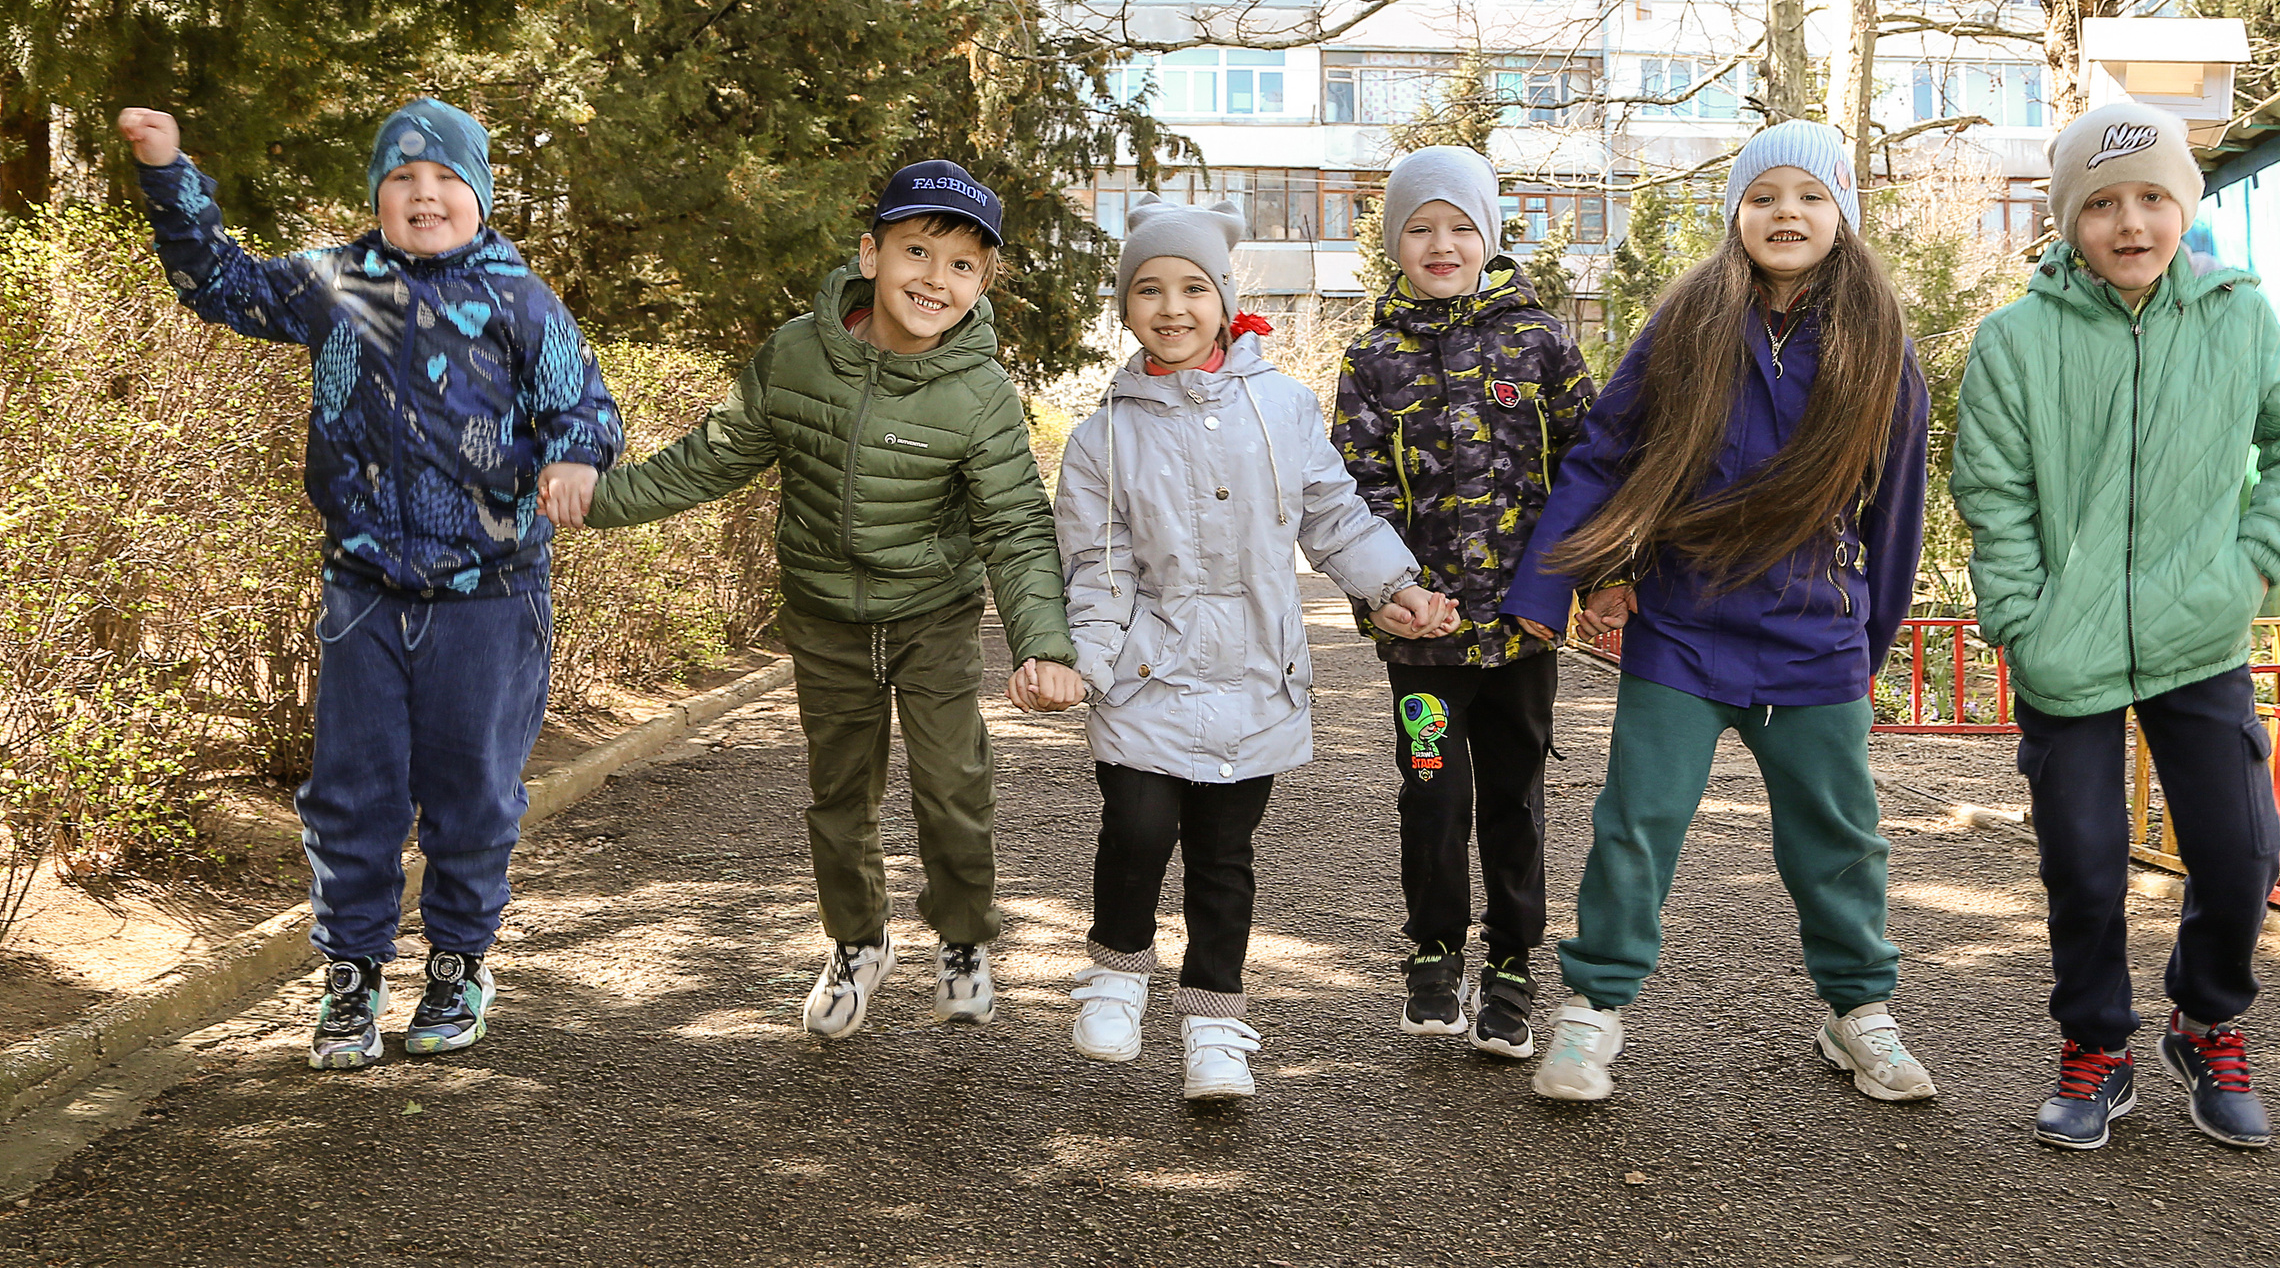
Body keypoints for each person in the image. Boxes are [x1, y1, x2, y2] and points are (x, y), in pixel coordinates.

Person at [118, 101, 623, 1070]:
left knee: (472, 793)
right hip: (365, 590)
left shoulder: (521, 297)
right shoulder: (336, 280)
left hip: (489, 593)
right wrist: (169, 171)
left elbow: (582, 403)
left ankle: (458, 964)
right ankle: (350, 974)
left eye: (443, 180)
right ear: (378, 197)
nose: (422, 194)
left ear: (477, 197)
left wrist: (573, 461)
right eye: (401, 179)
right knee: (352, 795)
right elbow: (218, 283)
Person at [553, 160, 1082, 1038]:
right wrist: (595, 498)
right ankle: (856, 941)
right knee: (839, 792)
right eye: (917, 250)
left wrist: (1045, 644)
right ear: (871, 254)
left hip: (930, 613)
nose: (934, 279)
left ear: (982, 283)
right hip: (825, 614)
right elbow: (710, 456)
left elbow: (1018, 526)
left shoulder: (981, 394)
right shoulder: (797, 354)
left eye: (962, 266)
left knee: (953, 783)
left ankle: (961, 937)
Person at [1504, 119, 1935, 1107]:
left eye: (1810, 196)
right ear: (1734, 214)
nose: (1786, 212)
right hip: (1684, 631)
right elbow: (1605, 454)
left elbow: (1897, 510)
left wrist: (1865, 647)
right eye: (1763, 196)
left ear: (1843, 217)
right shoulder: (1687, 325)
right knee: (1635, 821)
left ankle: (1857, 1011)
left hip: (1811, 640)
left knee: (1839, 837)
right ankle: (1590, 1015)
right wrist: (1549, 583)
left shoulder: (1878, 350)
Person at [1950, 102, 2280, 1153]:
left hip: (2197, 633)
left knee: (2239, 854)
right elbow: (1993, 494)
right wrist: (2022, 619)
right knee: (2082, 859)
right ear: (2069, 220)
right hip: (2063, 640)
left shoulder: (2238, 317)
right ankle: (2096, 1049)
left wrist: (2251, 562)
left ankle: (2205, 1018)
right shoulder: (2014, 340)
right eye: (2104, 204)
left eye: (2153, 199)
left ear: (2184, 207)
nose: (2130, 224)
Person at [1028, 196, 1455, 1101]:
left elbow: (1336, 517)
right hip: (1145, 672)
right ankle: (1116, 971)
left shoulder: (1283, 408)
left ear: (1224, 299)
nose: (1172, 307)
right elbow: (1097, 573)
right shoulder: (1104, 435)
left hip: (1257, 672)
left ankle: (1215, 1023)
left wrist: (1396, 587)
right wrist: (1084, 666)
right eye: (1149, 289)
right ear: (1127, 307)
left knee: (1224, 856)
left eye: (1192, 287)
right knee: (1138, 829)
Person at [1329, 146, 1594, 1057]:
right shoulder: (1371, 357)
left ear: (1488, 233)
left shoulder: (1543, 341)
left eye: (1459, 226)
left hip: (1521, 639)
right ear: (1395, 240)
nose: (1441, 243)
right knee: (1434, 793)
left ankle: (1514, 966)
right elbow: (1351, 492)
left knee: (1514, 800)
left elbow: (1588, 474)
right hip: (1423, 648)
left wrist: (1566, 591)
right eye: (1420, 227)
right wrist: (1387, 598)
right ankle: (1435, 953)